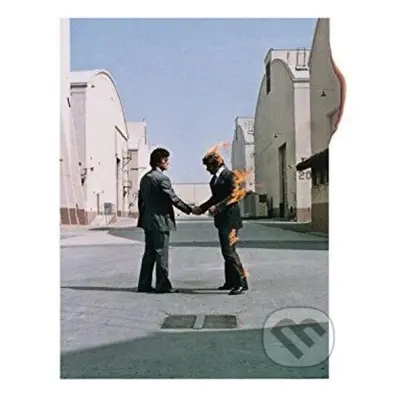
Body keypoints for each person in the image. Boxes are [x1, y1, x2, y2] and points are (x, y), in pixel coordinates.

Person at [137, 148, 193, 293]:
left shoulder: (145, 178)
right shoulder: (162, 179)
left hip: (148, 221)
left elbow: (141, 201)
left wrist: (143, 217)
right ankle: (162, 285)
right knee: (161, 253)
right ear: (160, 161)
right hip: (160, 221)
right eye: (166, 160)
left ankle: (144, 284)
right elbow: (173, 198)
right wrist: (189, 209)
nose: (168, 163)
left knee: (149, 253)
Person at [193, 152, 248, 295]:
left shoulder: (230, 176)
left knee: (229, 252)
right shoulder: (214, 180)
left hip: (231, 219)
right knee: (226, 252)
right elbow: (214, 198)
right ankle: (230, 282)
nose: (207, 169)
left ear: (215, 164)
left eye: (208, 166)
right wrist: (202, 208)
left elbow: (234, 196)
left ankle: (241, 283)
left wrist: (218, 207)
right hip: (222, 220)